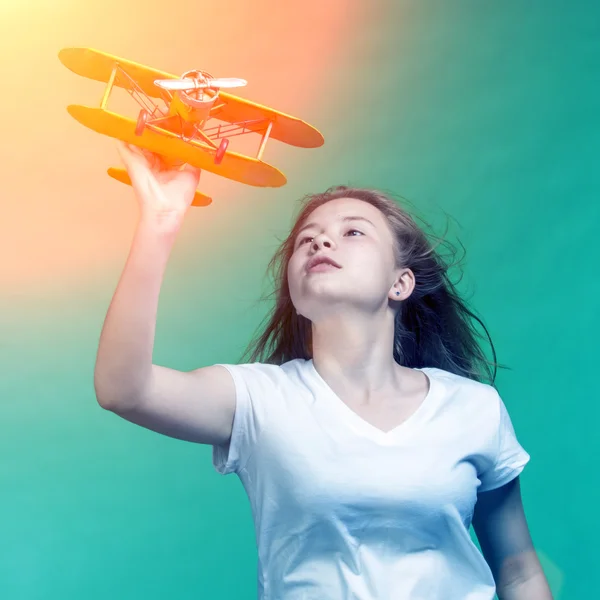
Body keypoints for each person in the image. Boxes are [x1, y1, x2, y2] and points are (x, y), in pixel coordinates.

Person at [94, 142, 553, 600]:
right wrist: (160, 220)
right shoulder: (259, 400)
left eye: (354, 232)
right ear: (293, 287)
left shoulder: (473, 408)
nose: (320, 241)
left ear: (400, 282)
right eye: (304, 240)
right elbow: (124, 389)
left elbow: (517, 570)